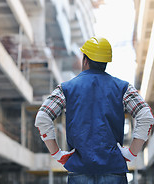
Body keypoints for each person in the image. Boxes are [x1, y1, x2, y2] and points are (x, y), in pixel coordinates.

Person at [35, 37, 154, 184]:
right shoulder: (123, 88)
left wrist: (57, 154)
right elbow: (146, 117)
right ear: (106, 62)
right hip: (114, 171)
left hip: (79, 172)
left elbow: (42, 117)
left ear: (85, 60)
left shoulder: (66, 89)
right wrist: (131, 153)